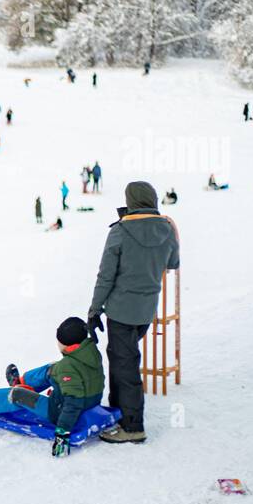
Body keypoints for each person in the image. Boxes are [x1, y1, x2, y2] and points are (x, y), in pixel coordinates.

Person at [87, 182, 179, 444]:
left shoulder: (121, 230)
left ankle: (133, 426)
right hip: (145, 311)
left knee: (125, 366)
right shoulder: (166, 229)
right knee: (120, 358)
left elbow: (106, 276)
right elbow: (173, 262)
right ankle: (118, 410)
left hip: (120, 310)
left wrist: (94, 310)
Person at [0, 317, 105, 457]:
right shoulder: (89, 353)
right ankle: (20, 381)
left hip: (59, 411)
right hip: (90, 402)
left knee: (17, 394)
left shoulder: (67, 367)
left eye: (59, 342)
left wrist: (62, 436)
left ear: (69, 346)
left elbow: (73, 402)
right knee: (52, 369)